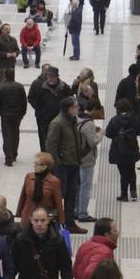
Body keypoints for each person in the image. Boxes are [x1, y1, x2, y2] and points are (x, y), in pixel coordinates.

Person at [47, 95, 90, 234]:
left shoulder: (72, 121)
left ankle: (70, 223)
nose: (78, 108)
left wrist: (83, 151)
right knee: (58, 196)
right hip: (62, 166)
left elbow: (74, 143)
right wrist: (58, 163)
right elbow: (50, 146)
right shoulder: (57, 123)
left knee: (72, 194)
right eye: (76, 106)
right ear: (69, 109)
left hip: (74, 164)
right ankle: (54, 224)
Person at [29, 64, 73, 151]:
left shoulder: (64, 88)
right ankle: (46, 157)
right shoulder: (41, 88)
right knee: (45, 140)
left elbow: (70, 101)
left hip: (61, 120)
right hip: (45, 120)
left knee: (60, 140)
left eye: (52, 77)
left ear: (57, 77)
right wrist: (41, 113)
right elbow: (36, 103)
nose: (50, 78)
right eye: (49, 76)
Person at [15, 152, 65, 225]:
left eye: (37, 164)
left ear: (45, 166)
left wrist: (61, 221)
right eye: (34, 163)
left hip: (44, 219)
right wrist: (19, 212)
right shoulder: (29, 177)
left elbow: (58, 203)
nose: (34, 166)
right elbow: (23, 197)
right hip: (28, 215)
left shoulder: (54, 181)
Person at [105, 98, 140, 201]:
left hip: (118, 149)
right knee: (132, 169)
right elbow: (138, 130)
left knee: (123, 173)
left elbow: (108, 133)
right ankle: (133, 191)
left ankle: (124, 194)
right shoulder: (133, 118)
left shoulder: (115, 120)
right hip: (132, 147)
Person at [0, 69, 27, 167]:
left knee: (7, 135)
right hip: (17, 114)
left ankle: (9, 158)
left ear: (5, 76)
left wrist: (1, 109)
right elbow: (24, 101)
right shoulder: (20, 87)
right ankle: (14, 154)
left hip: (5, 115)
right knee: (15, 133)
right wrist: (23, 113)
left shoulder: (1, 87)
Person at [74, 104, 103, 222]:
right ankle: (83, 213)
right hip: (87, 159)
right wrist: (100, 134)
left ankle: (75, 210)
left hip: (76, 158)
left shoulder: (74, 120)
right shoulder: (88, 123)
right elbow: (93, 142)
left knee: (77, 186)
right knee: (85, 187)